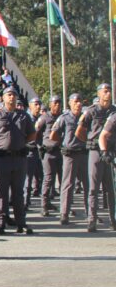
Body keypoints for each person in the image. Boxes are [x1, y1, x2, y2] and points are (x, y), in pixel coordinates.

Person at [0, 87, 36, 235]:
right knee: (1, 192)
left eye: (14, 95)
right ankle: (0, 223)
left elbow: (32, 134)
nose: (12, 97)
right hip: (1, 158)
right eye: (9, 95)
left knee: (18, 192)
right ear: (3, 97)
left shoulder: (24, 116)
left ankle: (21, 223)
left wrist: (21, 143)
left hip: (19, 158)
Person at [76, 83, 116, 233]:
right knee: (93, 188)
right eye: (105, 91)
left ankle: (114, 219)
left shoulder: (114, 111)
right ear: (99, 94)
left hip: (110, 152)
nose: (108, 94)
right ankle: (92, 220)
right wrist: (89, 142)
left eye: (109, 91)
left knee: (111, 189)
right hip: (95, 152)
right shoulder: (91, 111)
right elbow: (79, 131)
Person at [49, 94, 87, 226]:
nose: (78, 104)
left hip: (83, 154)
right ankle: (64, 214)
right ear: (70, 103)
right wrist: (64, 144)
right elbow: (53, 134)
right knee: (67, 185)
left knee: (88, 186)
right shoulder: (64, 118)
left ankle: (91, 213)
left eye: (80, 101)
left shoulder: (85, 117)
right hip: (70, 154)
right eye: (75, 102)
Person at [37, 96, 63, 217]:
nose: (57, 105)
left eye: (59, 103)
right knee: (48, 179)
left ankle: (64, 206)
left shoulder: (62, 117)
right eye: (55, 103)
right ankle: (44, 205)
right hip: (48, 152)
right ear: (50, 104)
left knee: (64, 180)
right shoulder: (45, 117)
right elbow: (35, 131)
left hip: (60, 151)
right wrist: (39, 145)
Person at [25, 97, 43, 208]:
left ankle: (45, 201)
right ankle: (25, 202)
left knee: (41, 176)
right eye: (35, 104)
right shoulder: (27, 118)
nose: (38, 106)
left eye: (39, 104)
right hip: (30, 151)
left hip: (39, 151)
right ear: (30, 105)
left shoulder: (40, 118)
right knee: (28, 179)